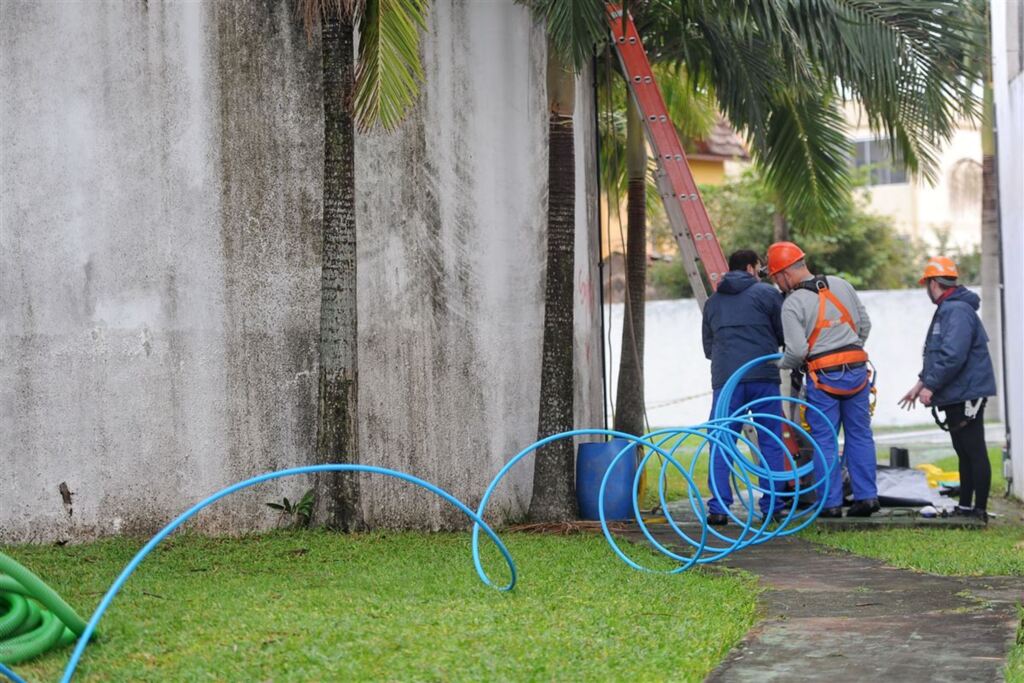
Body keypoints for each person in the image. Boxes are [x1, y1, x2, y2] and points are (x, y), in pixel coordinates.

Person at [766, 241, 879, 518]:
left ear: (783, 274)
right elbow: (865, 325)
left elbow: (796, 352)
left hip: (822, 377)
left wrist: (778, 364)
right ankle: (867, 499)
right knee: (860, 435)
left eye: (775, 279)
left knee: (824, 440)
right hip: (857, 371)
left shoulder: (792, 303)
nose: (777, 285)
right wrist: (847, 349)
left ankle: (831, 505)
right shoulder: (842, 285)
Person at [899, 256, 996, 522]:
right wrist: (920, 383)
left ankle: (979, 511)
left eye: (926, 284)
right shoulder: (950, 308)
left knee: (974, 450)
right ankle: (966, 508)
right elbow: (939, 353)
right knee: (963, 451)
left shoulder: (956, 310)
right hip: (959, 391)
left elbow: (953, 355)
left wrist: (930, 386)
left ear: (933, 283)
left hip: (967, 392)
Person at [702, 249, 787, 526]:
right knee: (770, 440)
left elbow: (708, 347)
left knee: (722, 441)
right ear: (751, 268)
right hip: (763, 376)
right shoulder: (768, 294)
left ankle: (718, 508)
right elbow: (783, 334)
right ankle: (772, 506)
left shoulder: (712, 302)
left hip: (727, 380)